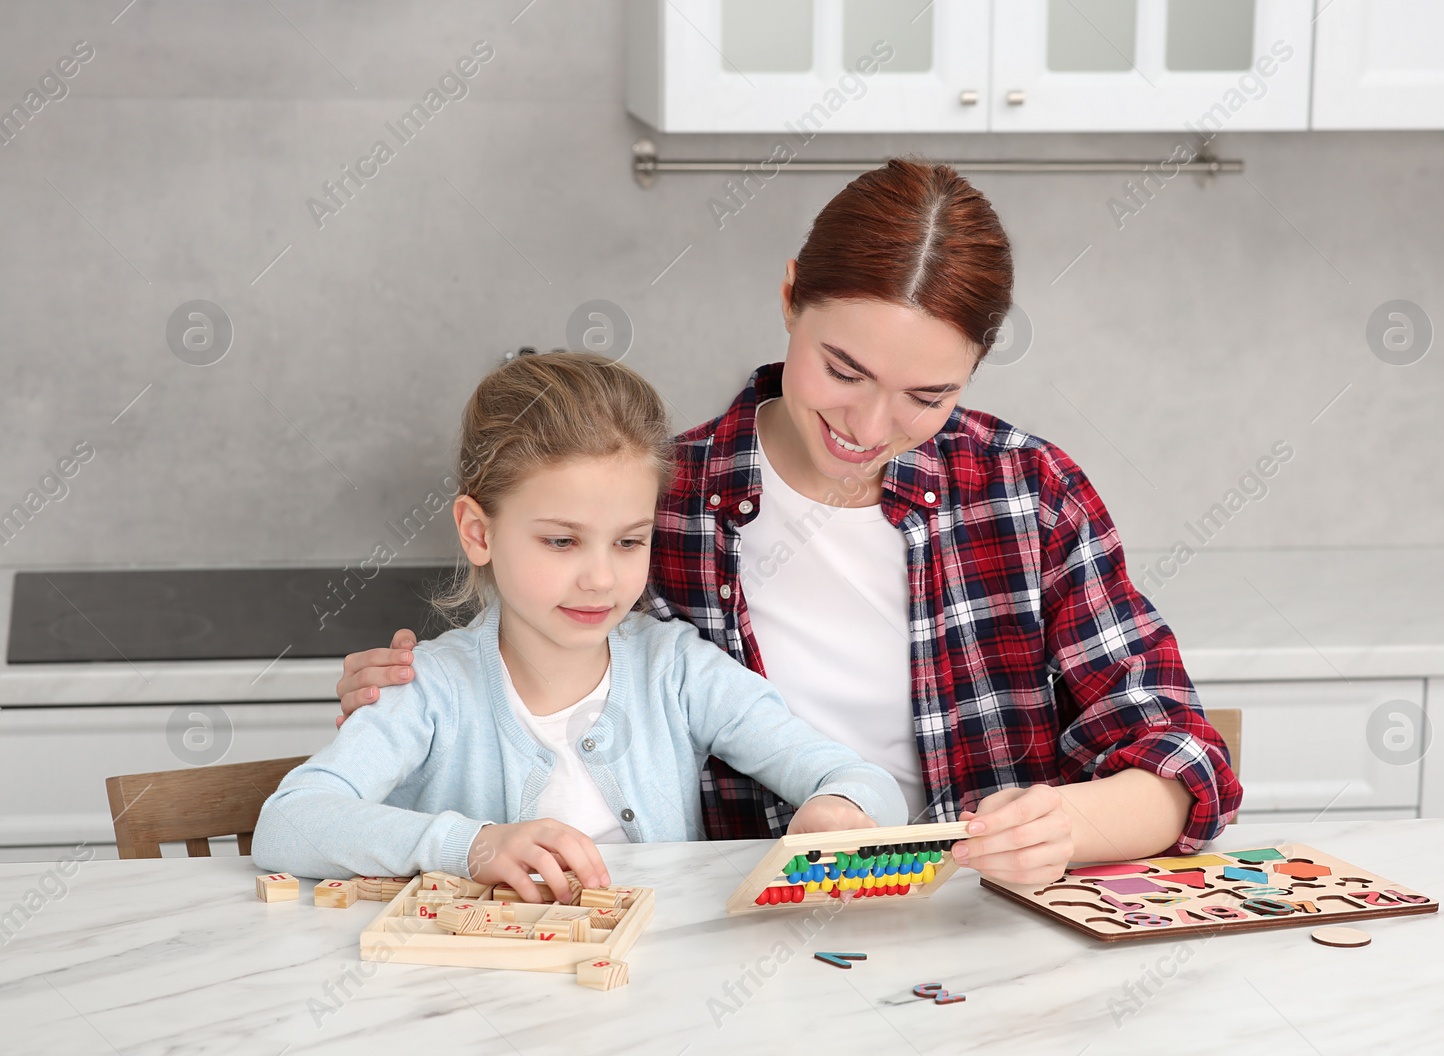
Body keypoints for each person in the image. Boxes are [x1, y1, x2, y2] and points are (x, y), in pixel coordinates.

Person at [336, 157, 1242, 887]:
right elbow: (533, 679)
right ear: (790, 298)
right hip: (758, 940)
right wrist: (414, 708)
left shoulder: (1025, 489)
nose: (870, 427)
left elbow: (1185, 755)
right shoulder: (663, 503)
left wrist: (1069, 823)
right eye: (843, 369)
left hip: (998, 921)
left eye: (928, 395)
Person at [253, 353, 906, 903]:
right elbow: (287, 822)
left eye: (628, 542)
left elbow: (861, 779)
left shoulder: (675, 668)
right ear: (478, 532)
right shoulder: (429, 688)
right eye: (562, 541)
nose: (601, 578)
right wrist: (473, 845)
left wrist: (840, 808)